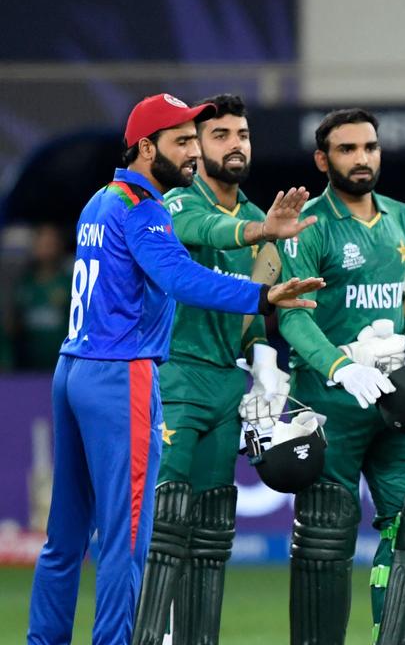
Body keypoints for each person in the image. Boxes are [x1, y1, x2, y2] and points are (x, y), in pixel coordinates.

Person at [27, 93, 323, 645]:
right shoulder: (144, 209)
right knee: (128, 538)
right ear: (146, 148)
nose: (193, 153)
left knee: (64, 537)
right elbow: (182, 278)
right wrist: (263, 297)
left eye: (195, 140)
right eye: (181, 142)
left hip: (73, 370)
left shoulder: (101, 201)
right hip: (122, 376)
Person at [131, 94, 318, 645]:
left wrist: (263, 357)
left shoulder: (264, 218)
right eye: (219, 136)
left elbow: (259, 303)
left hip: (222, 385)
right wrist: (262, 233)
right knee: (163, 526)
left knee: (211, 534)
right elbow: (208, 233)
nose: (234, 144)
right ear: (195, 148)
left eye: (242, 134)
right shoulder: (175, 200)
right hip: (173, 375)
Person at [278, 107, 405, 644]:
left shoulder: (403, 218)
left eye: (369, 147)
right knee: (325, 538)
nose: (361, 158)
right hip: (329, 400)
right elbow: (291, 316)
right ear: (322, 158)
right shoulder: (309, 225)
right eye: (347, 149)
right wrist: (340, 367)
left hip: (401, 401)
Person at [11, 223, 72, 371]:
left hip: (61, 365)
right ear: (35, 246)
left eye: (52, 244)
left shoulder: (69, 284)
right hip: (27, 369)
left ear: (60, 246)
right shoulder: (25, 284)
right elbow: (14, 324)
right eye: (43, 243)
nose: (48, 249)